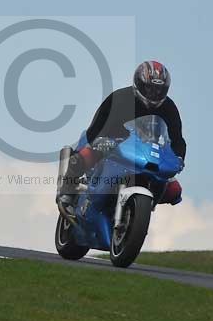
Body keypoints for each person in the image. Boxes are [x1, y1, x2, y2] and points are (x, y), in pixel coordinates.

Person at [56, 60, 187, 216]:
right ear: (139, 84)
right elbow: (97, 125)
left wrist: (178, 158)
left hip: (147, 154)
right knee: (83, 156)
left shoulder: (169, 108)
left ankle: (140, 210)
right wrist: (99, 140)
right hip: (113, 144)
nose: (154, 94)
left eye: (159, 90)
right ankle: (66, 192)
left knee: (175, 191)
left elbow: (177, 139)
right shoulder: (119, 98)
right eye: (149, 88)